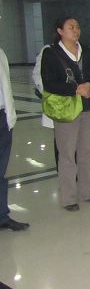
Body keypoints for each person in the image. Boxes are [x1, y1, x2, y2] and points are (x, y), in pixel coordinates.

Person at [41, 17, 90, 211]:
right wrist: (76, 89)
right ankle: (68, 198)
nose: (76, 30)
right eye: (71, 27)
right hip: (67, 109)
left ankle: (88, 191)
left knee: (87, 151)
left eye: (77, 27)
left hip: (87, 106)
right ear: (60, 31)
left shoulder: (86, 51)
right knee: (67, 153)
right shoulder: (51, 53)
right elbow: (49, 82)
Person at [0, 48, 29, 231]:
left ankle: (2, 216)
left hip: (3, 117)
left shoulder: (1, 53)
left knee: (1, 171)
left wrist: (9, 116)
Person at [32, 45, 58, 169]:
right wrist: (47, 93)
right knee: (61, 139)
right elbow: (37, 74)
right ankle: (64, 171)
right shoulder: (49, 50)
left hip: (78, 104)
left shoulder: (81, 49)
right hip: (58, 104)